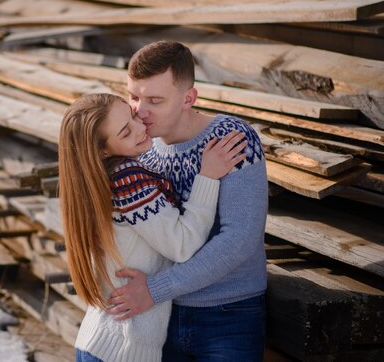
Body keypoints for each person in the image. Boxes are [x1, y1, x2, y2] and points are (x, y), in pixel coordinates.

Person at [106, 41, 268, 361]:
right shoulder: (141, 149)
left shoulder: (232, 138)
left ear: (188, 98)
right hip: (160, 317)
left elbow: (240, 239)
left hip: (228, 313)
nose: (140, 110)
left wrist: (155, 289)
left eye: (155, 100)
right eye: (134, 97)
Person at [58, 93, 247, 362]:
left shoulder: (98, 180)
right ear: (103, 151)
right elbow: (182, 245)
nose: (140, 127)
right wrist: (207, 176)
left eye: (132, 116)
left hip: (101, 343)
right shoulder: (128, 180)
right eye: (125, 131)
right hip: (123, 350)